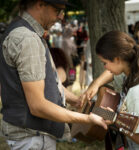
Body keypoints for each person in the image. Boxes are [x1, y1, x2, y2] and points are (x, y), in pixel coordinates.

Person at [0, 0, 108, 150]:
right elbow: (38, 106)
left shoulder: (28, 33)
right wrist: (86, 119)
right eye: (58, 10)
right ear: (40, 4)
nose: (61, 17)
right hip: (32, 138)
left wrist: (76, 100)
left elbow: (44, 85)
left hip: (35, 136)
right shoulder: (27, 38)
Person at [82, 31, 139, 149]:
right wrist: (96, 84)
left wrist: (117, 121)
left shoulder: (137, 91)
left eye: (105, 63)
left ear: (118, 59)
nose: (105, 68)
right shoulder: (131, 76)